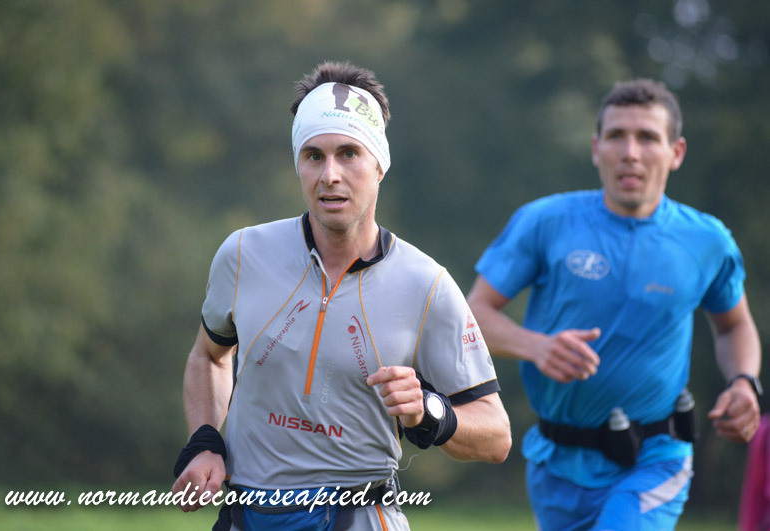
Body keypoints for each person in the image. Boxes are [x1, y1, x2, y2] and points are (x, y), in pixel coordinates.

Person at [171, 60, 512, 531]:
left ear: (379, 165)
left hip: (358, 514)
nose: (330, 174)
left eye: (349, 153)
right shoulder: (244, 253)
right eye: (314, 156)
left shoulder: (426, 283)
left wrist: (429, 412)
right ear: (298, 165)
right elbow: (210, 357)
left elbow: (496, 435)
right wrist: (205, 441)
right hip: (246, 513)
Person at [467, 79, 762, 530]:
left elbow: (734, 326)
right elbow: (473, 316)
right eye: (616, 136)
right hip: (555, 460)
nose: (630, 152)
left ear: (676, 152)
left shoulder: (707, 241)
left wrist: (743, 382)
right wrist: (536, 346)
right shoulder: (544, 222)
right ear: (596, 148)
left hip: (654, 457)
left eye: (647, 137)